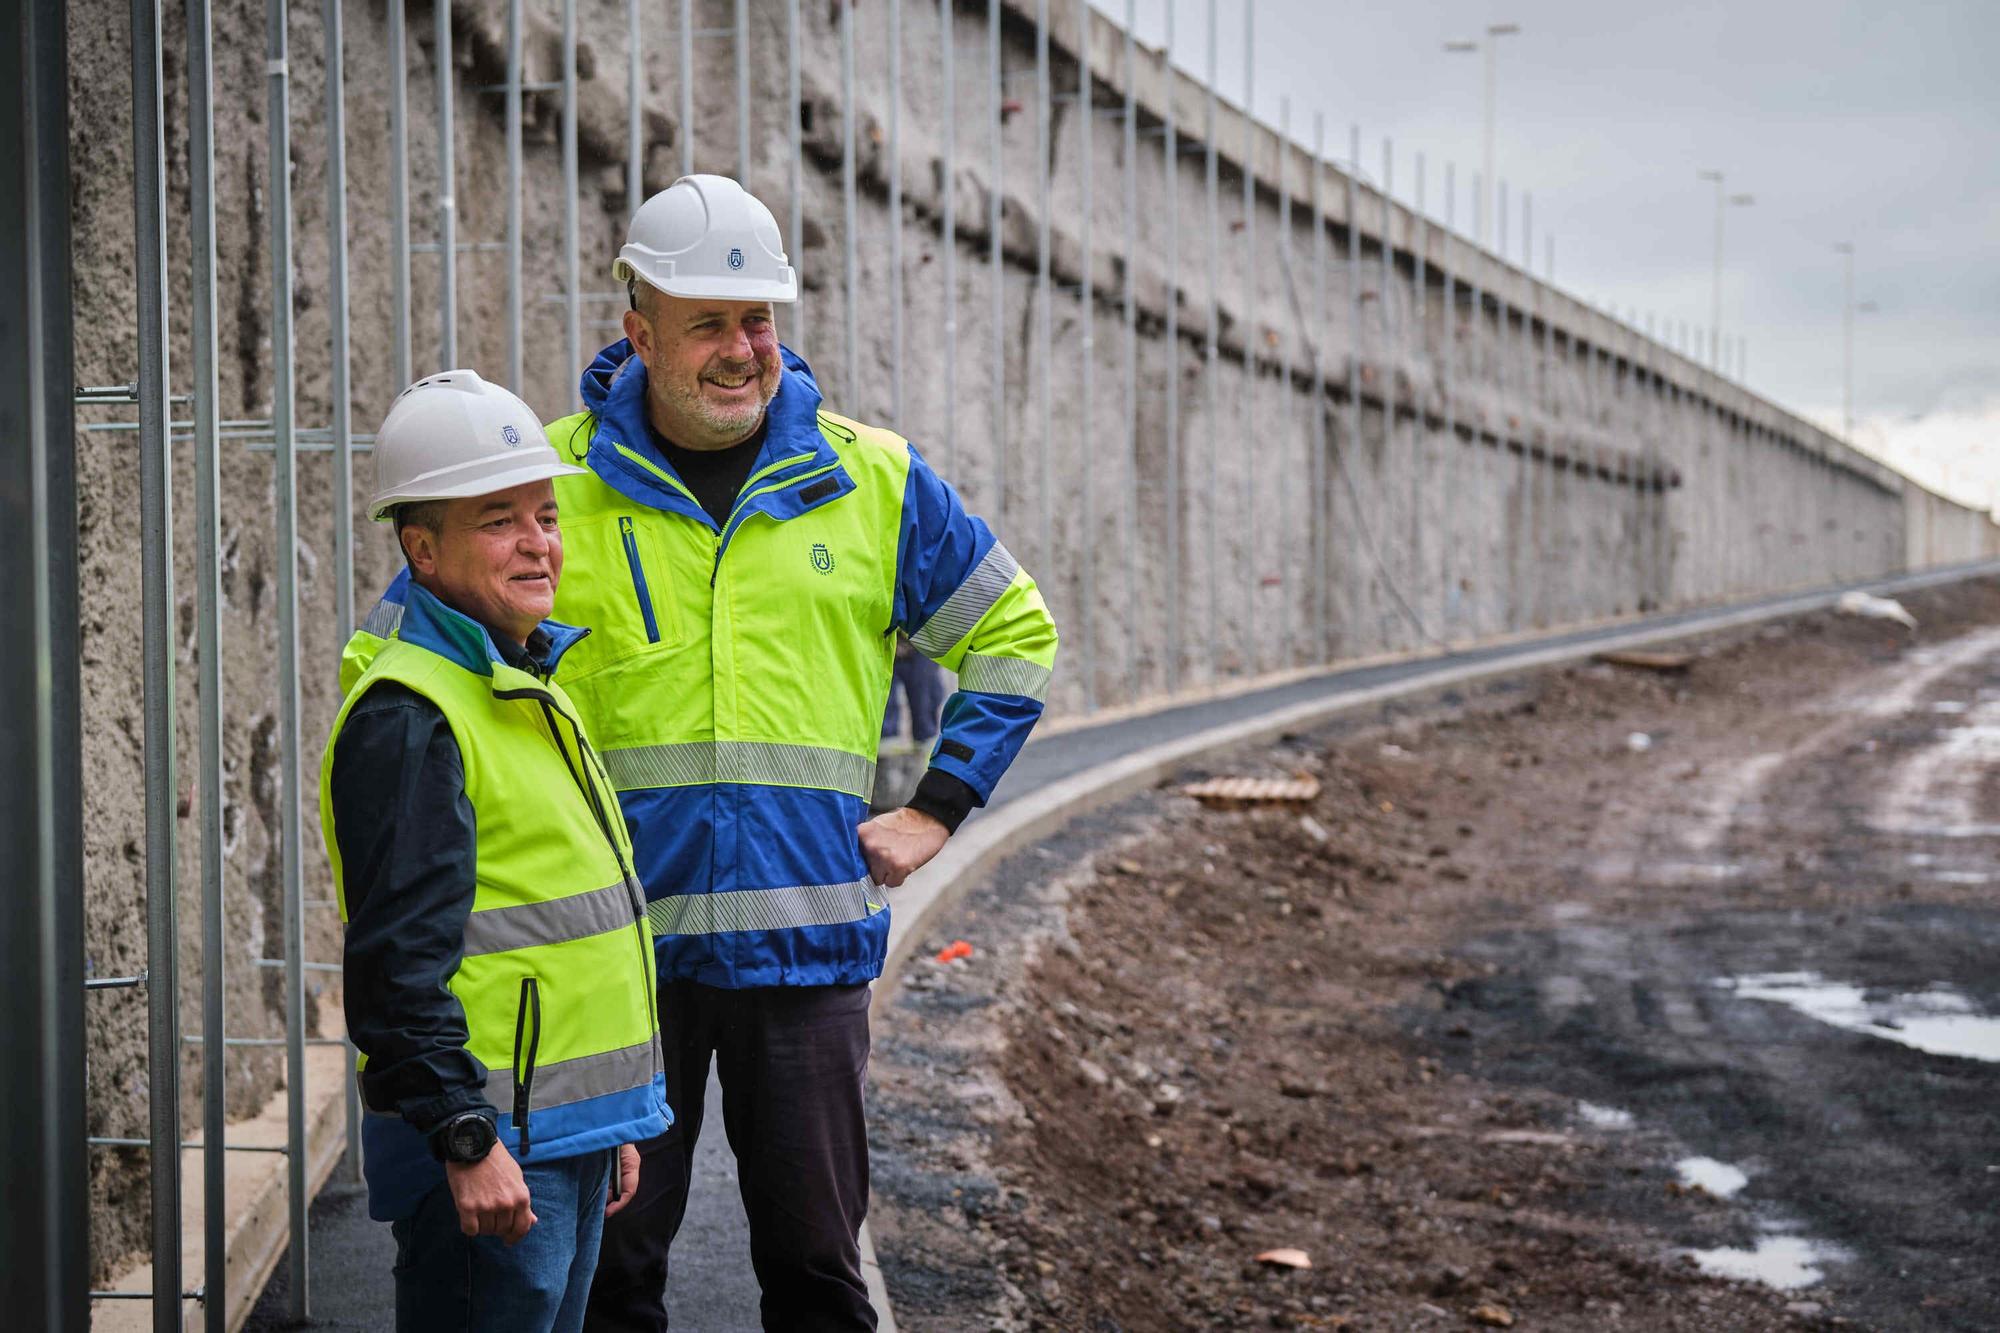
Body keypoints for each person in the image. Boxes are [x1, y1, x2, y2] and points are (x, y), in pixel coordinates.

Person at [542, 173, 1059, 1330]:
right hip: (617, 965)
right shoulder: (550, 486)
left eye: (759, 320)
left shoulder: (869, 479)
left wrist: (939, 806)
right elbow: (427, 673)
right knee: (607, 1279)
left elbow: (1014, 631)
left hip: (808, 960)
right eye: (709, 324)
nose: (742, 349)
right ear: (639, 332)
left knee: (820, 1275)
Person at [321, 371, 673, 1332]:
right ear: (421, 548)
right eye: (498, 518)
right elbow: (398, 971)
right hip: (489, 1151)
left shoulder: (521, 684)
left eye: (546, 514)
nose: (538, 542)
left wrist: (611, 1117)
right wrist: (464, 1135)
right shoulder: (414, 715)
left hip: (559, 1141)